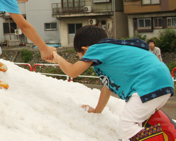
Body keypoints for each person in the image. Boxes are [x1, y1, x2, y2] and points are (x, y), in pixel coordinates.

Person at [46, 25, 174, 141]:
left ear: (85, 49)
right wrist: (97, 111)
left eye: (80, 55)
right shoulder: (112, 52)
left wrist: (57, 58)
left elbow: (73, 72)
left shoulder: (96, 49)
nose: (82, 60)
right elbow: (107, 88)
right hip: (162, 81)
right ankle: (169, 132)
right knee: (142, 120)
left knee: (127, 126)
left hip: (148, 84)